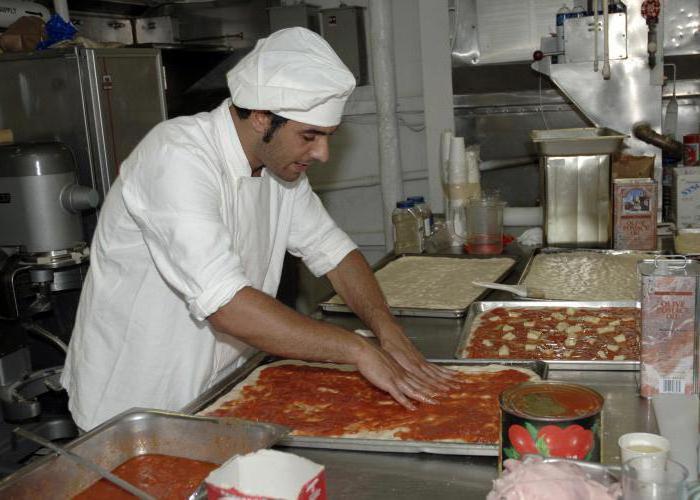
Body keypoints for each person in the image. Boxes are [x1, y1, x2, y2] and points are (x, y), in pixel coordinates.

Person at [61, 27, 454, 431]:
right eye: (309, 135)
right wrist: (357, 350)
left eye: (327, 137)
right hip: (136, 406)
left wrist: (385, 328)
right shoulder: (176, 157)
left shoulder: (279, 171)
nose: (321, 153)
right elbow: (226, 304)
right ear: (262, 117)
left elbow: (335, 253)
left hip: (222, 393)